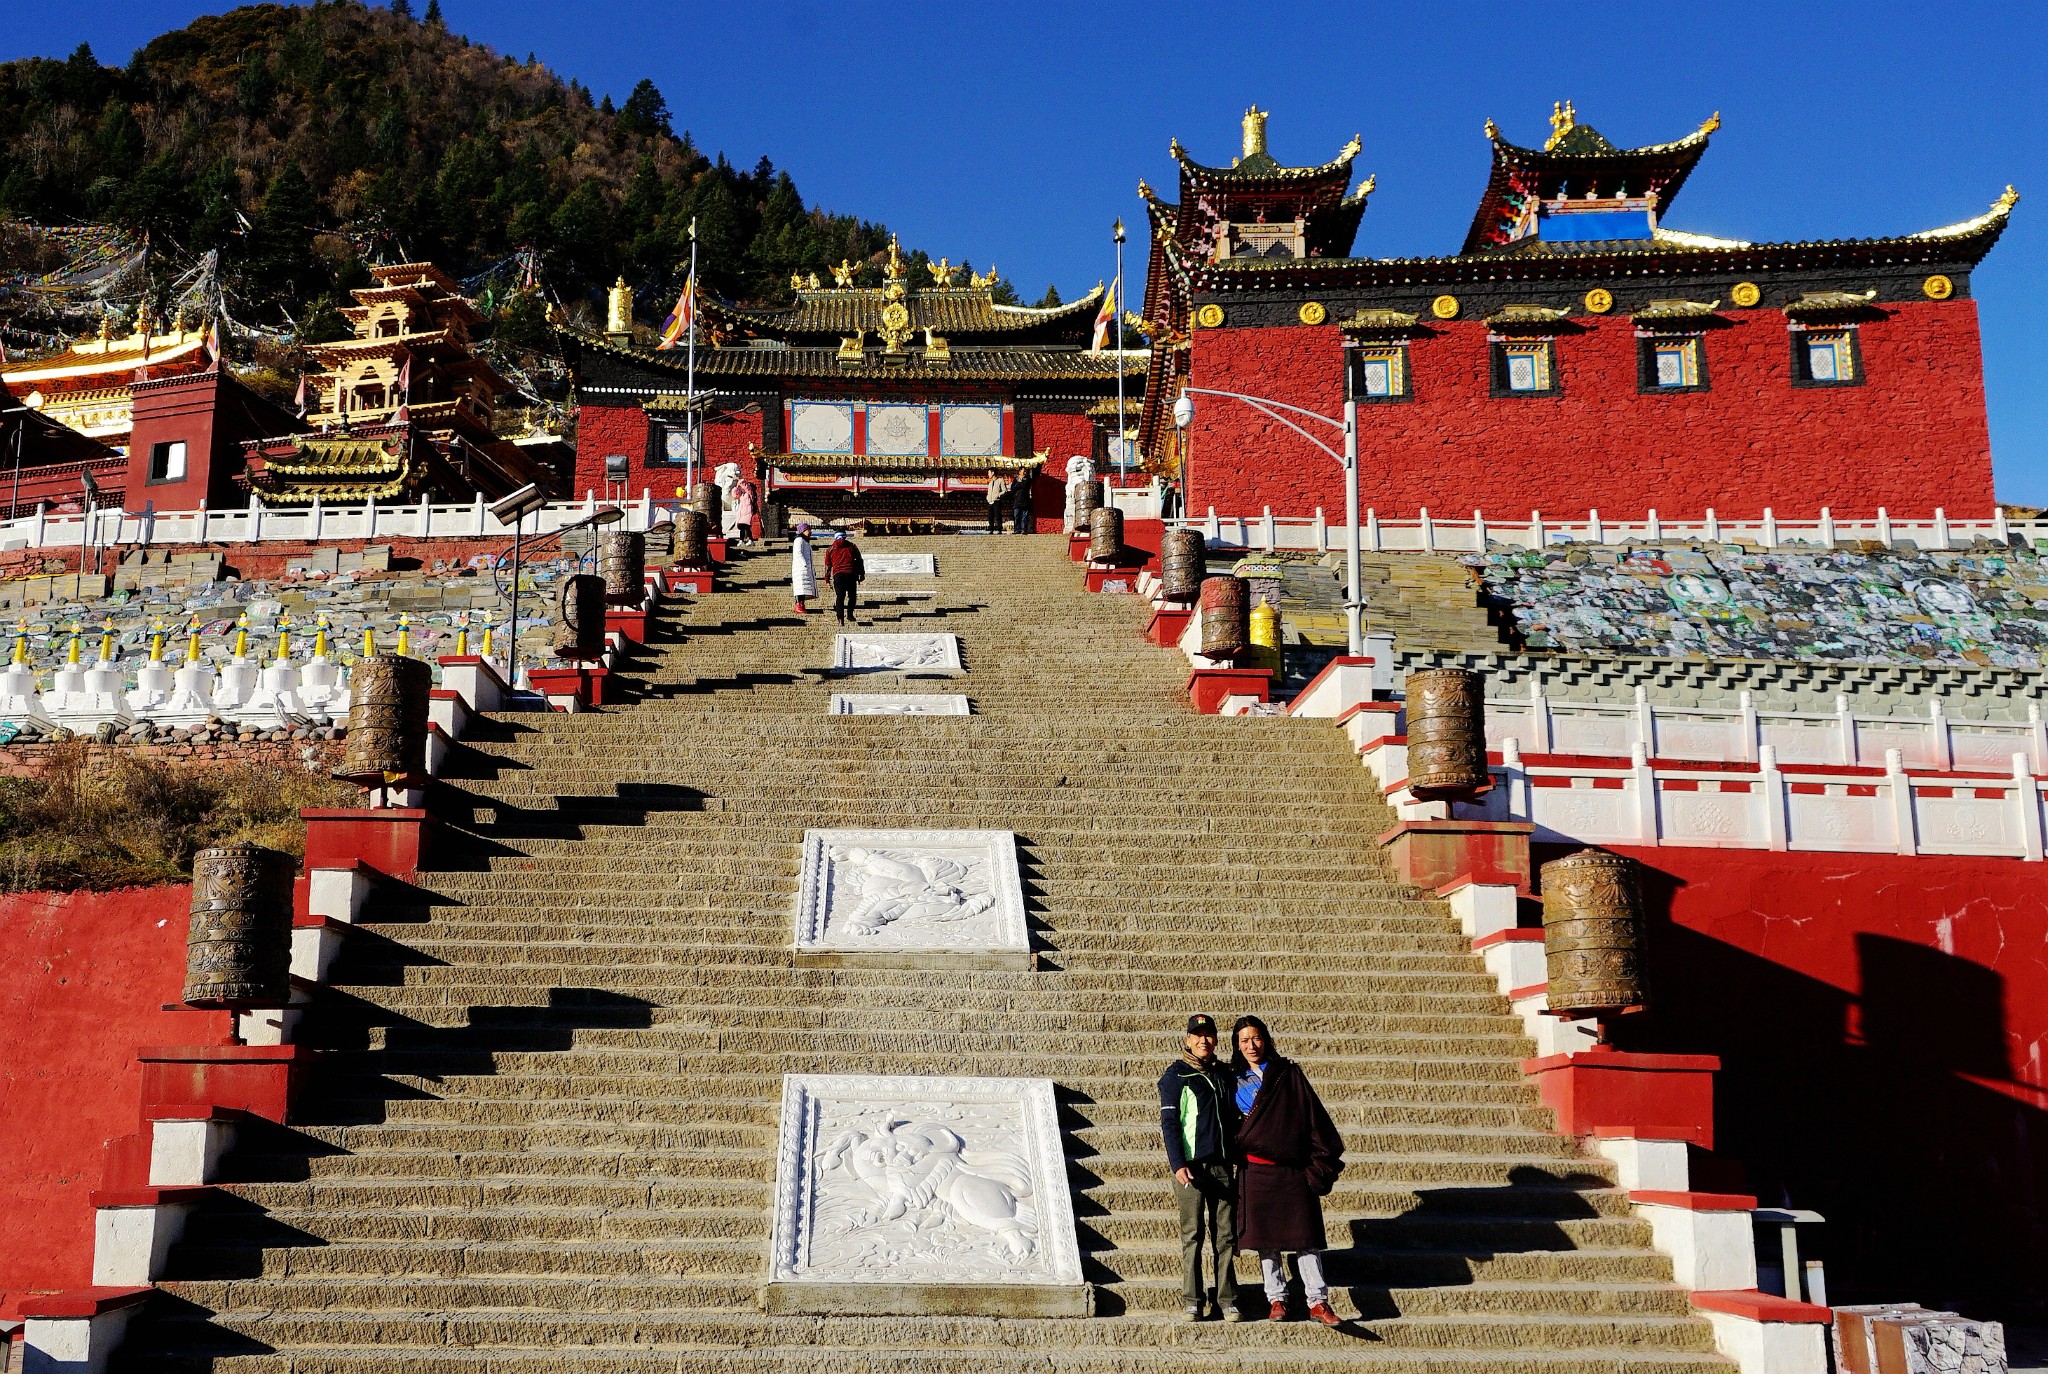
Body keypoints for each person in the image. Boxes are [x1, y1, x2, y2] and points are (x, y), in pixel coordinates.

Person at [1231, 1015, 1345, 1326]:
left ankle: (1318, 1301)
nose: (1251, 1045)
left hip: (1293, 1170)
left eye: (1256, 1038)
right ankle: (1276, 1298)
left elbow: (1311, 1115)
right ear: (1236, 1045)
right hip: (1256, 1170)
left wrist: (1318, 1164)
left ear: (1265, 1039)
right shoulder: (1231, 1079)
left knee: (1304, 1239)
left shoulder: (1287, 1074)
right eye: (1244, 1040)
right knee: (1266, 1241)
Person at [1158, 1013, 1240, 1322]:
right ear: (1188, 1039)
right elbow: (1169, 1123)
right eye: (1197, 1035)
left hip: (1221, 1165)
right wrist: (1177, 1164)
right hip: (1190, 1169)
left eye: (1208, 1035)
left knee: (1226, 1237)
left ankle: (1228, 1299)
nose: (1203, 1040)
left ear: (1215, 1040)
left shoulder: (1223, 1074)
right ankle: (1192, 1299)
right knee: (1192, 1235)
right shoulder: (1175, 1076)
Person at [823, 529, 865, 625]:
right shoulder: (852, 546)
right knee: (852, 596)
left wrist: (827, 579)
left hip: (838, 575)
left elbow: (827, 565)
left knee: (840, 597)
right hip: (851, 574)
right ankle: (850, 614)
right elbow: (859, 560)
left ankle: (840, 619)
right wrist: (861, 574)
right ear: (845, 536)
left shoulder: (830, 549)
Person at [790, 523, 817, 614]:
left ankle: (801, 604)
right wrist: (804, 564)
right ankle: (798, 604)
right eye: (808, 530)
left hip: (806, 569)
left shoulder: (806, 542)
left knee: (803, 588)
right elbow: (798, 553)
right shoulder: (799, 540)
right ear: (803, 531)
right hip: (801, 569)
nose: (810, 532)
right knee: (800, 587)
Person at [730, 475, 760, 545]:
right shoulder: (742, 495)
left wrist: (739, 480)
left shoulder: (750, 494)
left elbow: (746, 487)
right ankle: (742, 540)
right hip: (741, 513)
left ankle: (750, 540)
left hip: (748, 511)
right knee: (741, 527)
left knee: (746, 526)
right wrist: (737, 486)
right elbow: (734, 495)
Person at [984, 469, 1012, 534]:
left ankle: (999, 529)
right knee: (990, 516)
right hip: (990, 501)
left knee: (998, 515)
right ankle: (991, 529)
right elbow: (989, 492)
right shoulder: (990, 482)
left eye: (989, 473)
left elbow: (1004, 491)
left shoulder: (1000, 480)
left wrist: (998, 495)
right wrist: (988, 498)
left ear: (993, 473)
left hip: (996, 501)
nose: (988, 474)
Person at [1010, 465, 1035, 534]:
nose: (1025, 472)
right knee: (1016, 516)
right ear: (1020, 471)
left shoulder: (1027, 479)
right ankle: (1017, 529)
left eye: (1025, 471)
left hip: (1025, 500)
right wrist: (1019, 485)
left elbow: (1025, 486)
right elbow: (1013, 489)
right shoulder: (1015, 480)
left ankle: (1024, 529)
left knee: (1024, 516)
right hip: (1017, 500)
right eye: (1023, 471)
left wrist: (1018, 485)